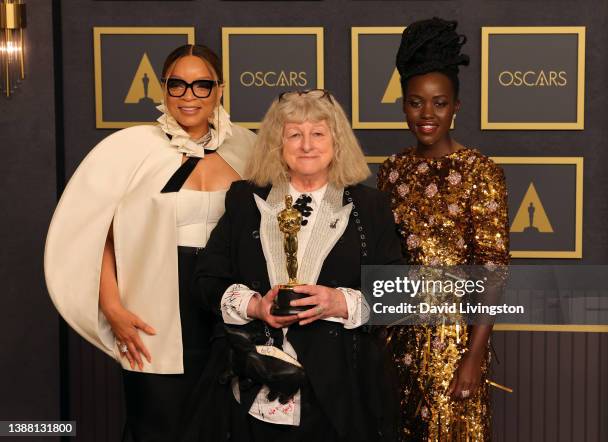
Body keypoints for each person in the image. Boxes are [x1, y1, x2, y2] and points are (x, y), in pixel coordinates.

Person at [44, 44, 256, 441]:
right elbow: (97, 237)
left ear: (220, 89)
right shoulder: (130, 149)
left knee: (225, 425)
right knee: (155, 423)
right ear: (163, 88)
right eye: (177, 85)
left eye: (201, 85)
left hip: (227, 310)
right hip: (155, 313)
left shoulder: (249, 148)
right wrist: (111, 305)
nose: (189, 96)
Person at [189, 89, 403, 442]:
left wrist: (339, 302)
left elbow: (396, 294)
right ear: (277, 143)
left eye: (318, 133)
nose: (307, 145)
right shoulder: (244, 200)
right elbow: (206, 279)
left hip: (340, 395)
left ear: (336, 142)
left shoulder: (371, 206)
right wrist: (256, 306)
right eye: (294, 134)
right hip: (255, 388)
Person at [377, 18, 510, 441]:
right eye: (416, 103)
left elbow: (492, 269)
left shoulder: (480, 172)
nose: (427, 114)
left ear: (456, 107)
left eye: (439, 102)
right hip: (396, 337)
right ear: (403, 105)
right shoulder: (391, 171)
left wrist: (474, 355)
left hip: (454, 342)